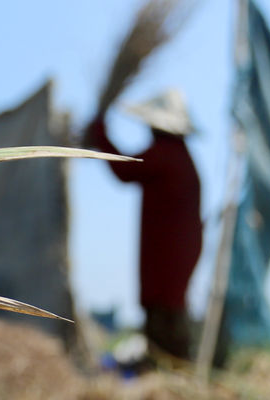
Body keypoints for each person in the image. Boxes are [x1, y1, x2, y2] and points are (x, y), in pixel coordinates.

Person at [85, 89, 203, 360]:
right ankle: (172, 369)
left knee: (165, 321)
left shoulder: (167, 155)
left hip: (167, 261)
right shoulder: (180, 157)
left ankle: (172, 373)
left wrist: (100, 134)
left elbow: (124, 169)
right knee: (168, 313)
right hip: (174, 259)